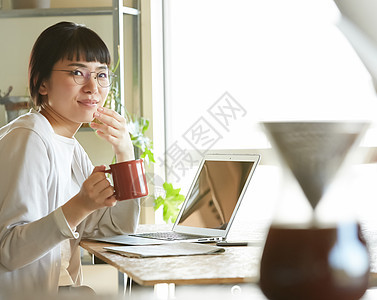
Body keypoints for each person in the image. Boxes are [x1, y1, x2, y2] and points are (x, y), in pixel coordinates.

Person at [0, 21, 140, 296]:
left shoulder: (70, 147)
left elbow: (115, 230)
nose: (93, 87)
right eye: (78, 72)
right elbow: (8, 250)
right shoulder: (31, 136)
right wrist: (81, 205)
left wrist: (125, 152)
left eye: (101, 74)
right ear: (42, 83)